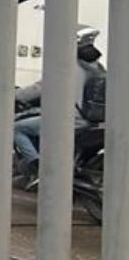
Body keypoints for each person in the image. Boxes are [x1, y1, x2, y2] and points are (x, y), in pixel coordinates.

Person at [13, 26, 106, 188]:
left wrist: (14, 95)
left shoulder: (66, 66)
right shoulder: (98, 68)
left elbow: (39, 88)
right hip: (91, 122)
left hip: (68, 120)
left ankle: (38, 169)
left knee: (16, 128)